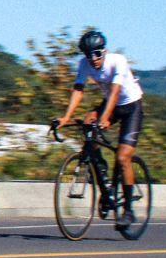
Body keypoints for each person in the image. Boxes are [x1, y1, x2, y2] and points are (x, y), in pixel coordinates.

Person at [55, 29, 144, 228]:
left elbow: (115, 92)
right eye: (88, 55)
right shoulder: (84, 64)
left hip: (131, 107)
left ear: (104, 51)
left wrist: (104, 118)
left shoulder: (117, 61)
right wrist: (66, 117)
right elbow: (78, 90)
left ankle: (128, 210)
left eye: (96, 53)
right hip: (111, 104)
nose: (93, 59)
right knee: (88, 124)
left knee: (122, 157)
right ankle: (104, 183)